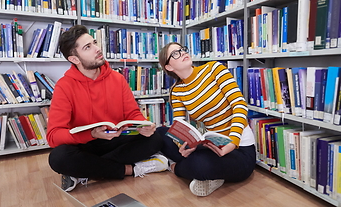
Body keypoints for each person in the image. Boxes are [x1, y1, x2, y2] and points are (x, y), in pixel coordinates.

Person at [46, 25, 168, 192]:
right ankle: (130, 170)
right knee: (58, 158)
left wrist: (143, 125)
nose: (97, 49)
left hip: (115, 138)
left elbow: (132, 113)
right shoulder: (64, 87)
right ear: (74, 59)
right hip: (86, 143)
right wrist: (90, 134)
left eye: (94, 43)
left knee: (156, 138)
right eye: (88, 47)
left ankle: (85, 171)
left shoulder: (117, 78)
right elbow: (54, 136)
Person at [157, 42, 256, 196]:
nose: (182, 53)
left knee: (200, 164)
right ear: (169, 67)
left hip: (239, 148)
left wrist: (232, 142)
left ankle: (176, 168)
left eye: (182, 49)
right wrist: (185, 145)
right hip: (212, 145)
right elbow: (179, 125)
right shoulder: (176, 91)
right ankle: (204, 171)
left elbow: (240, 105)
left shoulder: (214, 69)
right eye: (175, 53)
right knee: (160, 133)